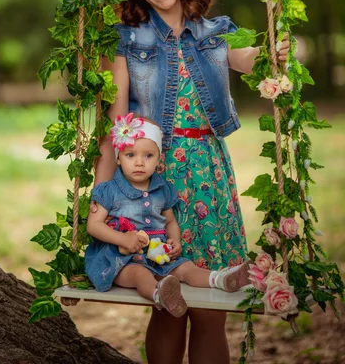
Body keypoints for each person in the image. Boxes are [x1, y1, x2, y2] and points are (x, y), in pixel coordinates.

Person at [93, 0, 290, 364]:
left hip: (210, 177)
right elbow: (116, 127)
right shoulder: (126, 39)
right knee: (169, 305)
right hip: (153, 180)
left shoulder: (215, 31)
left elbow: (250, 58)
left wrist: (275, 49)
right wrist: (99, 199)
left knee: (211, 312)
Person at [86, 113, 251, 318]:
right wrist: (122, 238)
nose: (140, 163)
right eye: (131, 155)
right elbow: (94, 225)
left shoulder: (162, 189)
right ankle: (160, 293)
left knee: (186, 267)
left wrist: (175, 241)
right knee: (140, 275)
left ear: (158, 158)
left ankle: (220, 279)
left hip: (159, 255)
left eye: (148, 156)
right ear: (118, 157)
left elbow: (170, 221)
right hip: (121, 260)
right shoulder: (109, 191)